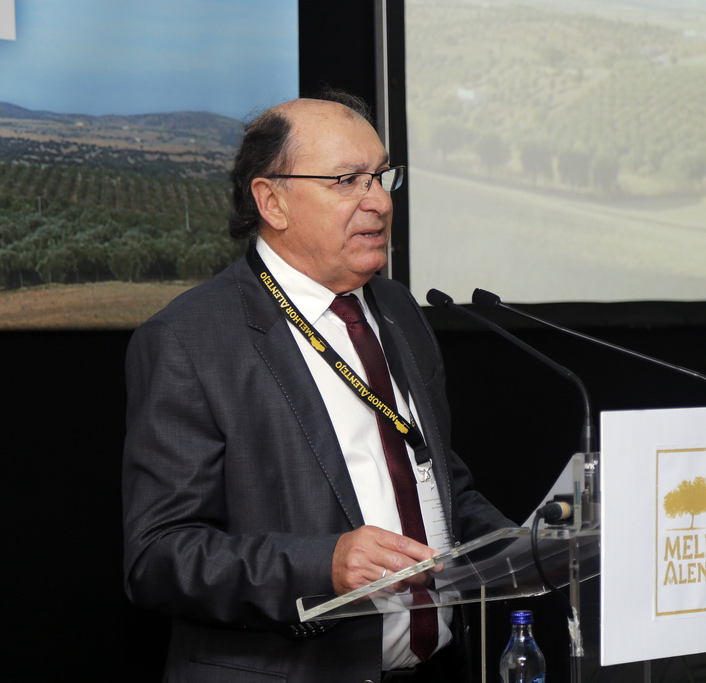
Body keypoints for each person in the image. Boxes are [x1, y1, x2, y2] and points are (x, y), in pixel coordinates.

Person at [122, 91, 513, 682]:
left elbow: (437, 481)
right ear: (272, 201)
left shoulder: (401, 311)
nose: (378, 201)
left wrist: (525, 544)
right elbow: (159, 557)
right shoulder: (189, 340)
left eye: (381, 176)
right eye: (347, 180)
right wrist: (322, 564)